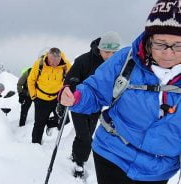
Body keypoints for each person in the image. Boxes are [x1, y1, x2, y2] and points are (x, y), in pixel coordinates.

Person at [59, 0, 181, 183]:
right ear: (149, 39)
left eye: (178, 45)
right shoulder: (127, 59)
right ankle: (78, 159)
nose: (168, 53)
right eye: (160, 44)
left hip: (157, 169)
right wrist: (76, 97)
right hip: (112, 154)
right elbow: (95, 90)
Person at [64, 31, 121, 177]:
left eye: (114, 52)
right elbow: (70, 80)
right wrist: (71, 93)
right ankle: (79, 162)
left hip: (97, 106)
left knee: (89, 132)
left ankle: (77, 154)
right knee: (84, 136)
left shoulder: (116, 64)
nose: (109, 56)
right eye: (106, 51)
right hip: (79, 103)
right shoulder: (83, 60)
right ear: (99, 48)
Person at [28, 47, 71, 144]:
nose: (54, 64)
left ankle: (50, 123)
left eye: (56, 62)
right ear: (48, 57)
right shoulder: (39, 63)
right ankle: (35, 145)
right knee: (39, 124)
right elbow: (31, 80)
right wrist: (33, 96)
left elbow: (71, 79)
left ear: (60, 58)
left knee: (65, 120)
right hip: (41, 99)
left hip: (57, 98)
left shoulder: (66, 65)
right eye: (52, 62)